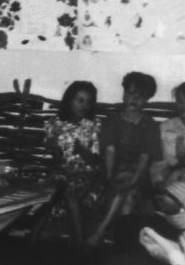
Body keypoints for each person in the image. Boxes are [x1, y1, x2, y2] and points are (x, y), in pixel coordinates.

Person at [88, 71, 162, 247]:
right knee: (127, 195)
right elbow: (110, 151)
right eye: (130, 93)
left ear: (147, 99)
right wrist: (109, 178)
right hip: (111, 170)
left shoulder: (149, 124)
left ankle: (101, 231)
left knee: (128, 190)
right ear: (123, 93)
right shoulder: (112, 121)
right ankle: (120, 245)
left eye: (140, 96)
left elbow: (145, 155)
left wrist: (134, 179)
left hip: (139, 174)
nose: (134, 99)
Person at [44, 81, 101, 245]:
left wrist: (81, 150)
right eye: (79, 100)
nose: (84, 105)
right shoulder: (55, 123)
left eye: (88, 101)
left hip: (86, 175)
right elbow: (56, 159)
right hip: (61, 173)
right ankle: (34, 240)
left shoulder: (93, 125)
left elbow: (95, 159)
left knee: (70, 192)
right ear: (69, 100)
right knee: (46, 194)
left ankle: (79, 243)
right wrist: (55, 148)